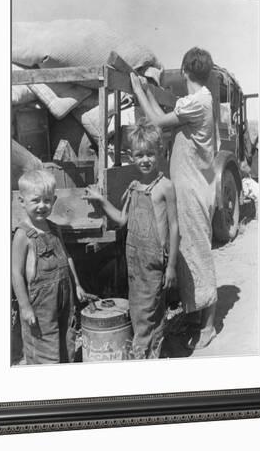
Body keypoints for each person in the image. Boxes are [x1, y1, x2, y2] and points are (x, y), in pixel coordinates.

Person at [130, 47, 218, 349]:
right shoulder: (199, 100)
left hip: (193, 188)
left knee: (198, 254)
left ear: (183, 71)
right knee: (187, 252)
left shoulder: (197, 101)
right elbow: (165, 115)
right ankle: (195, 317)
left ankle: (208, 327)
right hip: (191, 186)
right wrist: (148, 92)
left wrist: (138, 90)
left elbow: (155, 120)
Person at [84, 120, 179, 359]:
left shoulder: (165, 187)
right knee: (144, 309)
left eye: (150, 154)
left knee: (145, 312)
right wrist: (100, 200)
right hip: (134, 259)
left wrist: (171, 266)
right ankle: (154, 353)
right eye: (139, 155)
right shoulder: (134, 186)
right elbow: (122, 219)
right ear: (130, 156)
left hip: (154, 259)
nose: (145, 159)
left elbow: (176, 227)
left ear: (160, 152)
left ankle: (140, 355)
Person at [12, 169, 91, 364]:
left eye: (47, 200)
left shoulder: (55, 229)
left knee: (66, 339)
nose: (42, 206)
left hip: (64, 299)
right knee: (43, 349)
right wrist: (25, 307)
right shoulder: (23, 235)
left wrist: (78, 285)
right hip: (39, 305)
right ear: (22, 201)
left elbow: (67, 257)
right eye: (35, 200)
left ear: (54, 200)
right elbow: (15, 273)